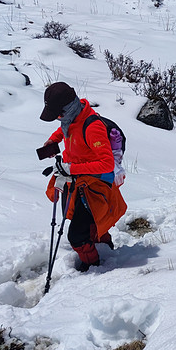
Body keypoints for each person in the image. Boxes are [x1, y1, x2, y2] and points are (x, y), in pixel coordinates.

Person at [39, 82, 125, 272]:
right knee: (89, 224)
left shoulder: (92, 127)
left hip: (95, 185)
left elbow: (106, 164)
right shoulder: (72, 117)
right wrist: (54, 140)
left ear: (67, 108)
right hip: (78, 181)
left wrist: (71, 168)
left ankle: (92, 266)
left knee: (76, 236)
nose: (58, 119)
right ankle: (105, 250)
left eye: (58, 114)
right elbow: (65, 128)